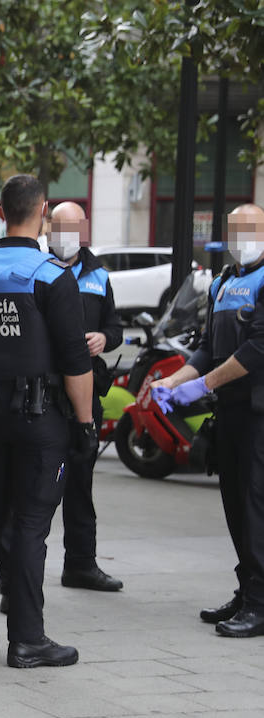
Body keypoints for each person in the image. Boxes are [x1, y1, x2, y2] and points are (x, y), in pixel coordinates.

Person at [0, 175, 95, 668]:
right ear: (44, 212)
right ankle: (28, 639)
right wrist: (85, 422)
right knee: (31, 526)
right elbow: (76, 361)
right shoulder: (52, 276)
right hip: (39, 420)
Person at [152, 202, 264, 638]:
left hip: (258, 413)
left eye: (251, 229)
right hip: (231, 414)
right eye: (235, 230)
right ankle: (247, 589)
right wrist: (175, 381)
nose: (243, 238)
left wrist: (203, 386)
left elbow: (258, 349)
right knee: (236, 504)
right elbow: (205, 347)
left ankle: (259, 601)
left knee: (255, 507)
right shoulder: (223, 281)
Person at [47, 201, 124, 592]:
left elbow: (116, 326)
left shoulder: (98, 276)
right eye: (57, 228)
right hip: (45, 391)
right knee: (36, 484)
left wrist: (105, 338)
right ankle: (11, 569)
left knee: (80, 482)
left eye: (72, 229)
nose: (64, 237)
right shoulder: (38, 270)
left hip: (87, 392)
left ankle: (80, 563)